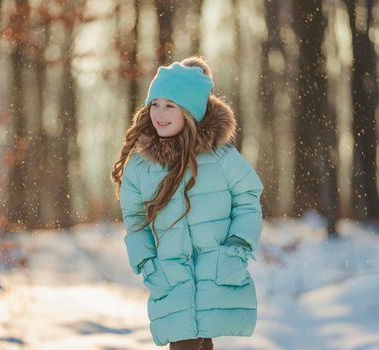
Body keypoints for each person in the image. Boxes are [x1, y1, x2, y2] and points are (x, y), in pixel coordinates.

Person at [111, 56, 264, 350]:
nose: (159, 113)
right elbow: (134, 219)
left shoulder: (219, 157)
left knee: (201, 341)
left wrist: (238, 247)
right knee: (186, 341)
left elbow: (248, 198)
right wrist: (148, 264)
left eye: (170, 105)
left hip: (214, 269)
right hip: (170, 275)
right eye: (155, 104)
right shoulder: (140, 165)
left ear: (190, 111)